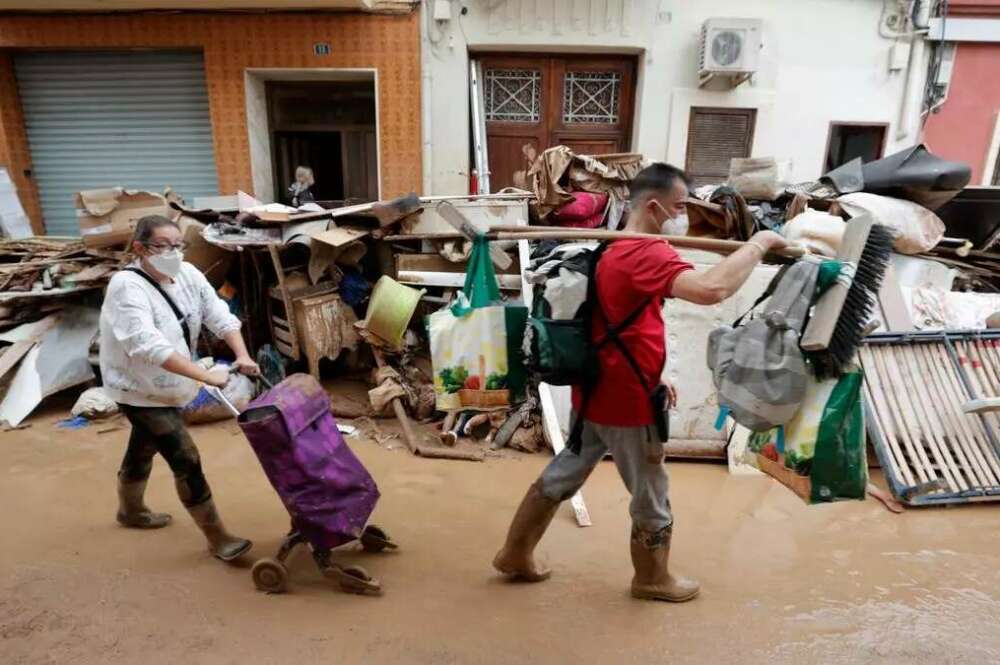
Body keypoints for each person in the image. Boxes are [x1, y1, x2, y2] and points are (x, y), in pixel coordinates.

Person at [493, 163, 790, 602]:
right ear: (654, 207)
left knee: (566, 469)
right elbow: (711, 290)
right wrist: (760, 243)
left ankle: (515, 553)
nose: (683, 216)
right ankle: (652, 577)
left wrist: (657, 373)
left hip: (595, 389)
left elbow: (621, 320)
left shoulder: (615, 248)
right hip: (628, 402)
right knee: (652, 491)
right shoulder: (646, 252)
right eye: (678, 207)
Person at [100, 214, 260, 561]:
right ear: (140, 248)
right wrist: (205, 376)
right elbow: (147, 345)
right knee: (183, 455)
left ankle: (130, 510)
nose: (172, 252)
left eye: (178, 245)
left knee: (144, 445)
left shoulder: (187, 274)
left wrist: (242, 354)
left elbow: (218, 313)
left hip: (171, 382)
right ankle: (218, 538)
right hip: (136, 386)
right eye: (162, 246)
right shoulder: (127, 287)